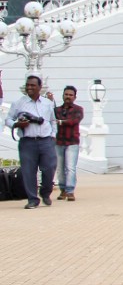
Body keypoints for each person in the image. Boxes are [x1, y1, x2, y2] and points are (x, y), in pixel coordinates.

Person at [6, 75, 58, 209]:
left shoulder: (47, 103)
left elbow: (53, 120)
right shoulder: (18, 103)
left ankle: (45, 192)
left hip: (46, 141)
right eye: (27, 85)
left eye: (32, 85)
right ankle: (32, 199)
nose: (29, 87)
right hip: (27, 142)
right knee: (28, 171)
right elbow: (8, 120)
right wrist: (17, 124)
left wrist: (53, 135)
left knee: (49, 168)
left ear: (40, 88)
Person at [55, 85, 85, 201]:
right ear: (63, 95)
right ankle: (62, 190)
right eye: (66, 94)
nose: (68, 97)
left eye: (71, 95)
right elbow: (53, 120)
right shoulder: (57, 110)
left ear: (75, 97)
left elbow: (74, 121)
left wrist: (61, 122)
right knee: (60, 168)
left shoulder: (78, 109)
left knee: (70, 167)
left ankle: (70, 190)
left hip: (72, 142)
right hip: (59, 141)